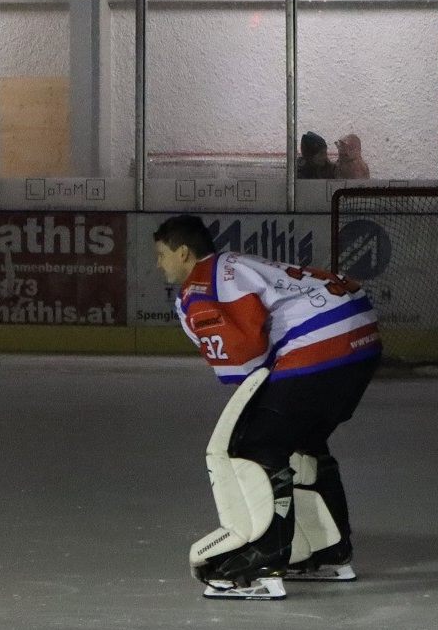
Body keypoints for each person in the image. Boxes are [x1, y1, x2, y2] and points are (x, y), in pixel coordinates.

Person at [153, 214, 381, 601]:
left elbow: (245, 356)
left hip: (320, 344)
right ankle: (328, 551)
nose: (159, 264)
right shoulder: (235, 264)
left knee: (255, 447)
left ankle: (263, 560)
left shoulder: (202, 285)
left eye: (161, 255)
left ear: (183, 252)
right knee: (302, 442)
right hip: (360, 337)